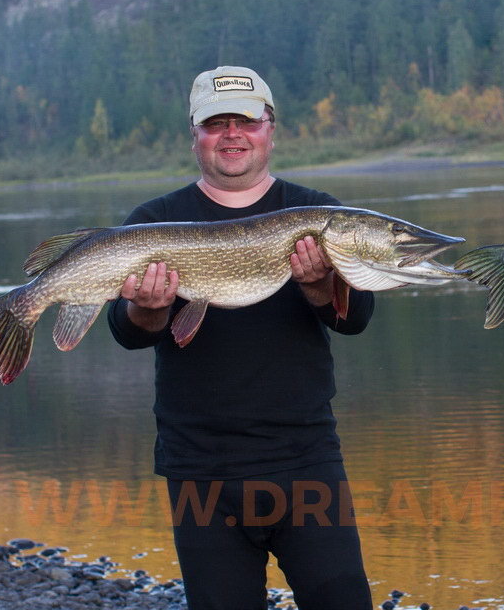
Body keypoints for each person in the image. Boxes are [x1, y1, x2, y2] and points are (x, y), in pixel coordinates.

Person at [106, 65, 375, 610]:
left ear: (270, 128)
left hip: (305, 463)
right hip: (201, 473)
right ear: (195, 135)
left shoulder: (318, 212)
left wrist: (322, 288)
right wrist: (146, 309)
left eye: (247, 121)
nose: (232, 134)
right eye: (216, 123)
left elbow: (357, 319)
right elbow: (128, 334)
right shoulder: (154, 221)